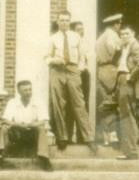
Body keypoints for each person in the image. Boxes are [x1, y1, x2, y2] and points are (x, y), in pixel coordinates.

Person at [46, 11, 97, 153]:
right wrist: (53, 60)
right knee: (59, 104)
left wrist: (79, 70)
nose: (64, 23)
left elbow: (83, 57)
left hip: (73, 70)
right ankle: (62, 137)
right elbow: (46, 57)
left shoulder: (76, 37)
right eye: (61, 20)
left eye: (67, 20)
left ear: (70, 22)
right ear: (57, 22)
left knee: (79, 103)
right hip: (57, 70)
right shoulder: (52, 38)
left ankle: (89, 138)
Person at [0, 79, 52, 171]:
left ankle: (45, 159)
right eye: (25, 90)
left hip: (32, 133)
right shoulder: (12, 102)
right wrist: (18, 125)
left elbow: (43, 120)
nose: (28, 92)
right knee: (4, 128)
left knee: (41, 128)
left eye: (30, 89)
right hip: (17, 133)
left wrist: (32, 124)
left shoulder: (38, 101)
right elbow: (5, 119)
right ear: (19, 92)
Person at [107, 25, 139, 160]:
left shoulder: (135, 46)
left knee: (127, 116)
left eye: (127, 34)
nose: (124, 36)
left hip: (128, 80)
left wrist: (131, 76)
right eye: (122, 34)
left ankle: (131, 151)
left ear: (133, 34)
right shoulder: (124, 47)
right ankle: (129, 150)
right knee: (125, 115)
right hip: (122, 80)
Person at [95, 12, 123, 145]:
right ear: (115, 24)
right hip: (111, 69)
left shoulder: (100, 37)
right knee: (112, 102)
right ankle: (112, 134)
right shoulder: (112, 36)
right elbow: (115, 52)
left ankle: (106, 134)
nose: (120, 26)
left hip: (101, 69)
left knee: (105, 101)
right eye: (119, 23)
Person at [71, 20, 91, 143]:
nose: (81, 32)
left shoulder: (85, 43)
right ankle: (69, 136)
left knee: (83, 104)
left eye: (82, 29)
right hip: (73, 74)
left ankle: (82, 136)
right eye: (78, 29)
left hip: (83, 74)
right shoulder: (70, 44)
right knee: (71, 104)